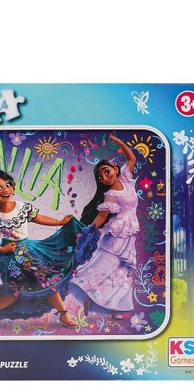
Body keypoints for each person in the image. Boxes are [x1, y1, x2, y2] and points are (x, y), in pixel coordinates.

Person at [0, 170, 98, 328]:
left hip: (31, 251)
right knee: (15, 292)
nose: (5, 189)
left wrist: (60, 222)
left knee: (48, 282)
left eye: (8, 185)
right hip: (10, 258)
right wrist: (0, 248)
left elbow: (39, 218)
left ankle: (63, 314)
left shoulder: (21, 207)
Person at [69, 134, 138, 319]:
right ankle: (86, 295)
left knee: (122, 272)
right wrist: (88, 231)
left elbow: (131, 158)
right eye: (100, 177)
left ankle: (116, 308)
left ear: (115, 168)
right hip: (115, 235)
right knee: (102, 267)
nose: (105, 178)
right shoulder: (110, 195)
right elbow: (102, 215)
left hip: (130, 235)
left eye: (107, 172)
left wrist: (121, 142)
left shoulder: (126, 178)